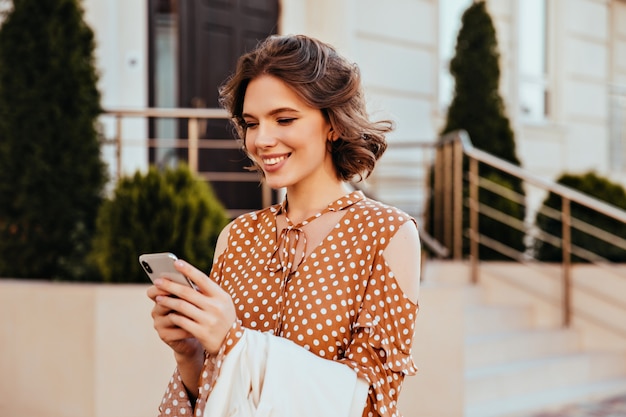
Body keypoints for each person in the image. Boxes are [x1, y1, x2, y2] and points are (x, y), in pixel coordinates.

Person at [147, 34, 421, 417]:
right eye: (251, 123)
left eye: (284, 119)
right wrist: (191, 355)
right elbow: (216, 395)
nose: (262, 140)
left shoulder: (387, 234)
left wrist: (235, 342)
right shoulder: (238, 236)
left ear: (333, 124)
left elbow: (372, 402)